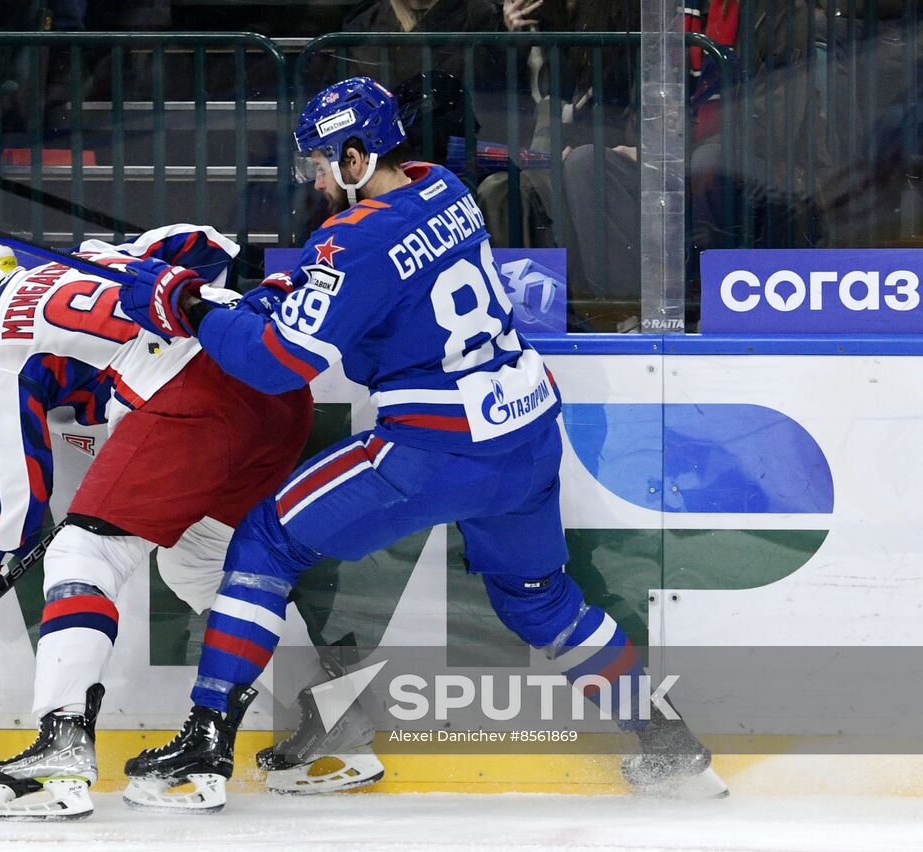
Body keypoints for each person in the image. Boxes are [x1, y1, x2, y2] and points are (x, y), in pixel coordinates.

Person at [115, 76, 728, 812]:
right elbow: (375, 285)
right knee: (542, 601)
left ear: (353, 153)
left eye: (319, 159)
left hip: (433, 449)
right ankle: (670, 747)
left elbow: (278, 361)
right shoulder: (443, 190)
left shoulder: (353, 237)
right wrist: (279, 294)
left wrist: (189, 305)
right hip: (525, 437)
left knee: (264, 545)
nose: (312, 174)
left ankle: (206, 745)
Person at [0, 224, 342, 820]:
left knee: (82, 556)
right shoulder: (93, 258)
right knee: (199, 561)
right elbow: (206, 245)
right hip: (270, 379)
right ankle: (337, 723)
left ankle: (61, 751)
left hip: (200, 397)